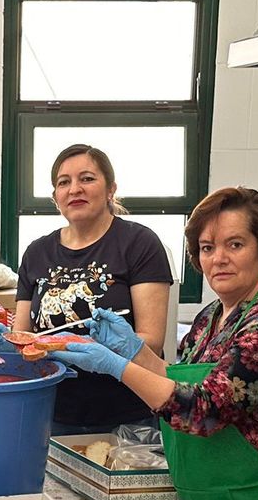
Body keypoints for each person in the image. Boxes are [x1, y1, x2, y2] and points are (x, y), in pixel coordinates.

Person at [2, 187, 258, 500]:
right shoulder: (211, 317)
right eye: (207, 248)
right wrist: (135, 350)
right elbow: (176, 381)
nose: (218, 258)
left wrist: (116, 366)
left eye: (235, 244)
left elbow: (203, 409)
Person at [12, 143, 174, 433]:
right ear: (55, 196)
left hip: (128, 414)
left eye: (87, 178)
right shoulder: (37, 252)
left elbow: (152, 343)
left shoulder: (139, 243)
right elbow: (22, 335)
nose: (75, 189)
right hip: (53, 411)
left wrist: (106, 355)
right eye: (64, 182)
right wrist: (5, 343)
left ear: (111, 189)